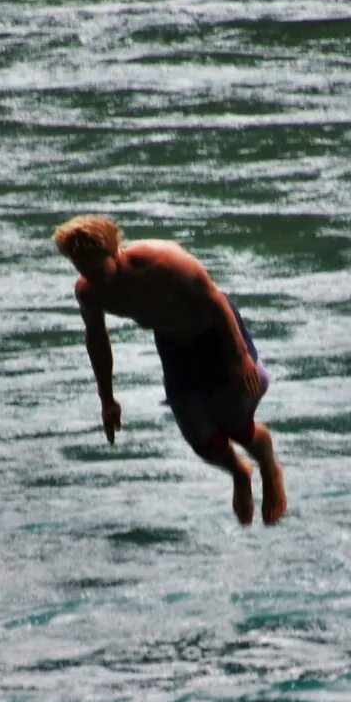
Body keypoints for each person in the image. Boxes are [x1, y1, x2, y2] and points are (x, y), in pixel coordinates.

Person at [54, 214, 288, 526]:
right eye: (81, 269)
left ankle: (269, 466)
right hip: (175, 347)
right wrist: (107, 399)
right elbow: (97, 340)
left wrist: (241, 355)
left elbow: (215, 300)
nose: (89, 276)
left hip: (215, 335)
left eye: (96, 268)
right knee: (201, 439)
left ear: (114, 252)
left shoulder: (163, 262)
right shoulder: (89, 293)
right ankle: (239, 472)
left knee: (236, 425)